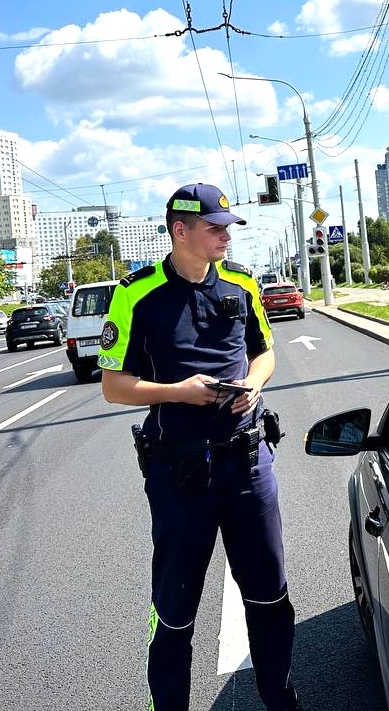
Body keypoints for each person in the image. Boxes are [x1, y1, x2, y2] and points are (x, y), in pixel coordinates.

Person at [98, 183, 298, 711]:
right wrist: (179, 393)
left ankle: (280, 698)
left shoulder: (241, 285)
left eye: (227, 227)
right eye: (214, 227)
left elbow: (265, 354)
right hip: (179, 476)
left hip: (249, 464)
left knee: (269, 595)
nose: (224, 236)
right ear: (179, 230)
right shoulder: (135, 293)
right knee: (176, 608)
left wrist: (255, 384)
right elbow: (114, 385)